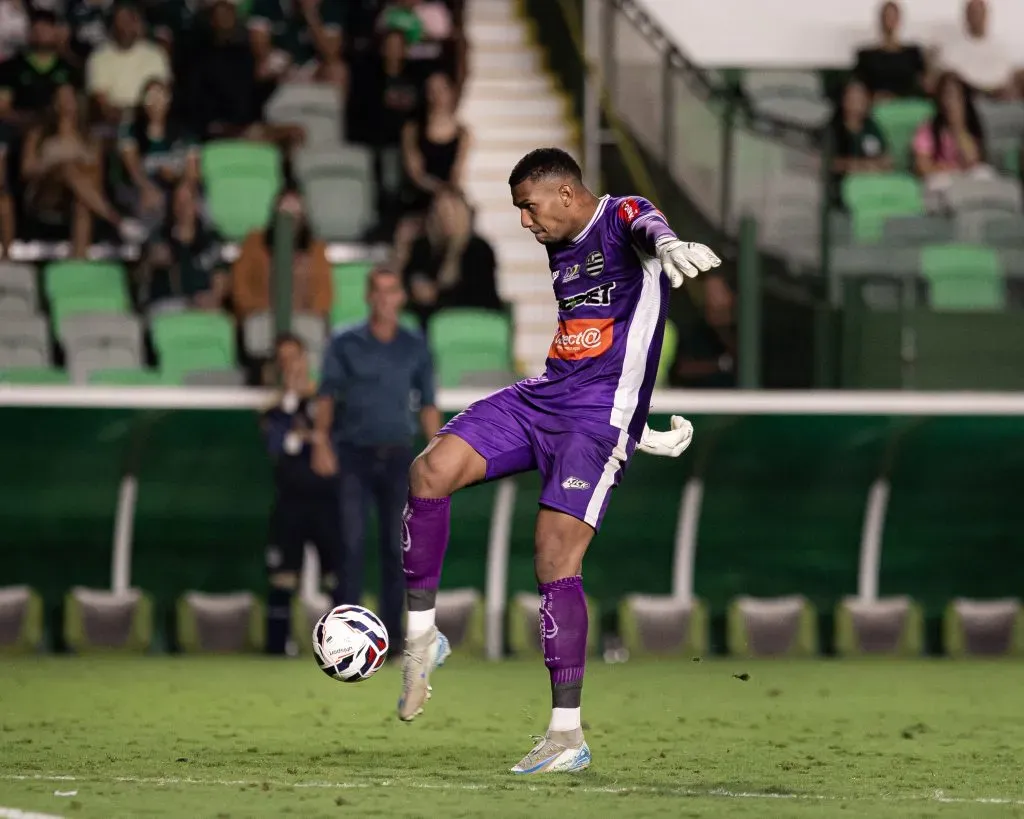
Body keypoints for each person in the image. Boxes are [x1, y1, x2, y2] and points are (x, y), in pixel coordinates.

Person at [377, 147, 717, 773]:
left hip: (594, 423)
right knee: (428, 470)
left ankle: (567, 736)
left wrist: (667, 241)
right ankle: (423, 637)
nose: (526, 224)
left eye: (529, 209)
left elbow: (645, 218)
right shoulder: (558, 244)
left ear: (565, 194)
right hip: (545, 397)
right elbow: (600, 344)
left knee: (553, 556)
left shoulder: (619, 217)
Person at [311, 266, 441, 658]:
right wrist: (321, 441)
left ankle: (389, 640)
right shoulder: (345, 342)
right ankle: (339, 640)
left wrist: (436, 454)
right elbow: (326, 396)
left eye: (392, 291)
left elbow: (429, 404)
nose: (385, 299)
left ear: (401, 297)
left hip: (399, 454)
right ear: (369, 297)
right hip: (353, 454)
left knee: (394, 546)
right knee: (349, 543)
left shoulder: (415, 345)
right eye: (378, 291)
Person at [261, 332, 340, 656]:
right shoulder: (274, 408)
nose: (289, 365)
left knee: (337, 576)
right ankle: (276, 649)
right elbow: (275, 445)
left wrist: (307, 437)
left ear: (306, 359)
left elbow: (336, 447)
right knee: (282, 576)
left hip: (327, 500)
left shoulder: (328, 400)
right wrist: (290, 405)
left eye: (294, 357)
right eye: (283, 360)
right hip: (290, 501)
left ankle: (343, 650)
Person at [21, 83, 141, 254]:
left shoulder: (91, 138)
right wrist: (53, 167)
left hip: (80, 194)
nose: (65, 102)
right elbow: (27, 170)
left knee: (82, 201)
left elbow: (97, 180)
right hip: (47, 192)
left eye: (69, 98)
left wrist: (77, 171)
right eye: (60, 98)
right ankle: (118, 221)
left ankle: (79, 261)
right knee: (67, 168)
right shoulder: (39, 134)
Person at [394, 71, 469, 267]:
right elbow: (416, 173)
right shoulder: (412, 130)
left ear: (451, 93)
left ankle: (449, 264)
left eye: (442, 90)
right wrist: (439, 191)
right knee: (445, 204)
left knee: (452, 209)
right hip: (422, 194)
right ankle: (444, 265)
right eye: (431, 91)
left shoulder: (462, 133)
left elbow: (457, 172)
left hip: (449, 195)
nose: (437, 96)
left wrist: (447, 192)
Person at [403, 186, 502, 327]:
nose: (445, 218)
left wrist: (436, 295)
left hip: (473, 321)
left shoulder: (478, 248)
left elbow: (476, 295)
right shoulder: (424, 246)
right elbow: (409, 277)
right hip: (431, 321)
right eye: (440, 212)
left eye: (451, 212)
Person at [232, 189, 332, 321]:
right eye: (285, 215)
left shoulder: (316, 249)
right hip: (261, 314)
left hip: (304, 316)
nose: (291, 222)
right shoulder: (253, 242)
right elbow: (240, 286)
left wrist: (308, 310)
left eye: (296, 216)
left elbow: (324, 294)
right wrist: (259, 308)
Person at [117, 78, 198, 229]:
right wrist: (147, 187)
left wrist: (183, 185)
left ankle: (186, 245)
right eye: (151, 97)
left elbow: (192, 171)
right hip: (143, 185)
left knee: (186, 199)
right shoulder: (132, 131)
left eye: (161, 96)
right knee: (151, 202)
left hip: (176, 183)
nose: (156, 102)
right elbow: (132, 168)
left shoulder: (183, 133)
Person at [137, 184, 227, 313]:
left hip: (202, 303)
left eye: (187, 202)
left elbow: (221, 273)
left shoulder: (210, 239)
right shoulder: (160, 235)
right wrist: (150, 262)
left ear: (196, 205)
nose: (183, 208)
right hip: (167, 304)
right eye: (179, 202)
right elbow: (140, 277)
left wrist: (214, 296)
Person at [912, 71, 993, 209]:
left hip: (965, 177)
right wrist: (948, 169)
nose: (952, 102)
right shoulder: (928, 129)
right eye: (948, 95)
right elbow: (923, 166)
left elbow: (973, 161)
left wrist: (958, 128)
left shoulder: (971, 127)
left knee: (984, 173)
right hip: (941, 177)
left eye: (957, 97)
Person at [85, 2, 171, 127]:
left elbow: (162, 97)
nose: (125, 27)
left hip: (149, 122)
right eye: (120, 21)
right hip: (112, 126)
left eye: (129, 20)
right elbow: (102, 104)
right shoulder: (99, 57)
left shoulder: (155, 54)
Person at [0, 10, 79, 123]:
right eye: (37, 28)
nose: (41, 33)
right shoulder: (11, 67)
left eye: (46, 27)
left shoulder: (69, 68)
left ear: (56, 31)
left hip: (58, 129)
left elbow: (75, 107)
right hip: (18, 129)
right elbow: (3, 108)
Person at [940, 0, 1019, 99]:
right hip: (967, 92)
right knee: (950, 86)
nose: (975, 17)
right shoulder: (953, 44)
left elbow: (1005, 73)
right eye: (972, 13)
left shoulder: (999, 46)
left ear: (986, 15)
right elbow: (951, 71)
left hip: (996, 90)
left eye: (978, 13)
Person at [853, 1, 927, 101]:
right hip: (877, 106)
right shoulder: (867, 56)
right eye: (886, 16)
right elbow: (859, 86)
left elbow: (923, 83)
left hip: (907, 105)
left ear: (898, 19)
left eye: (893, 16)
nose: (889, 20)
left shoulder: (912, 54)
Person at [832, 79, 892, 197]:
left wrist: (879, 166)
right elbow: (831, 163)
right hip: (844, 187)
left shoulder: (871, 126)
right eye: (853, 98)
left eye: (862, 97)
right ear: (844, 100)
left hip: (874, 184)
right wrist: (863, 167)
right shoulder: (833, 128)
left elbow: (887, 159)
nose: (858, 102)